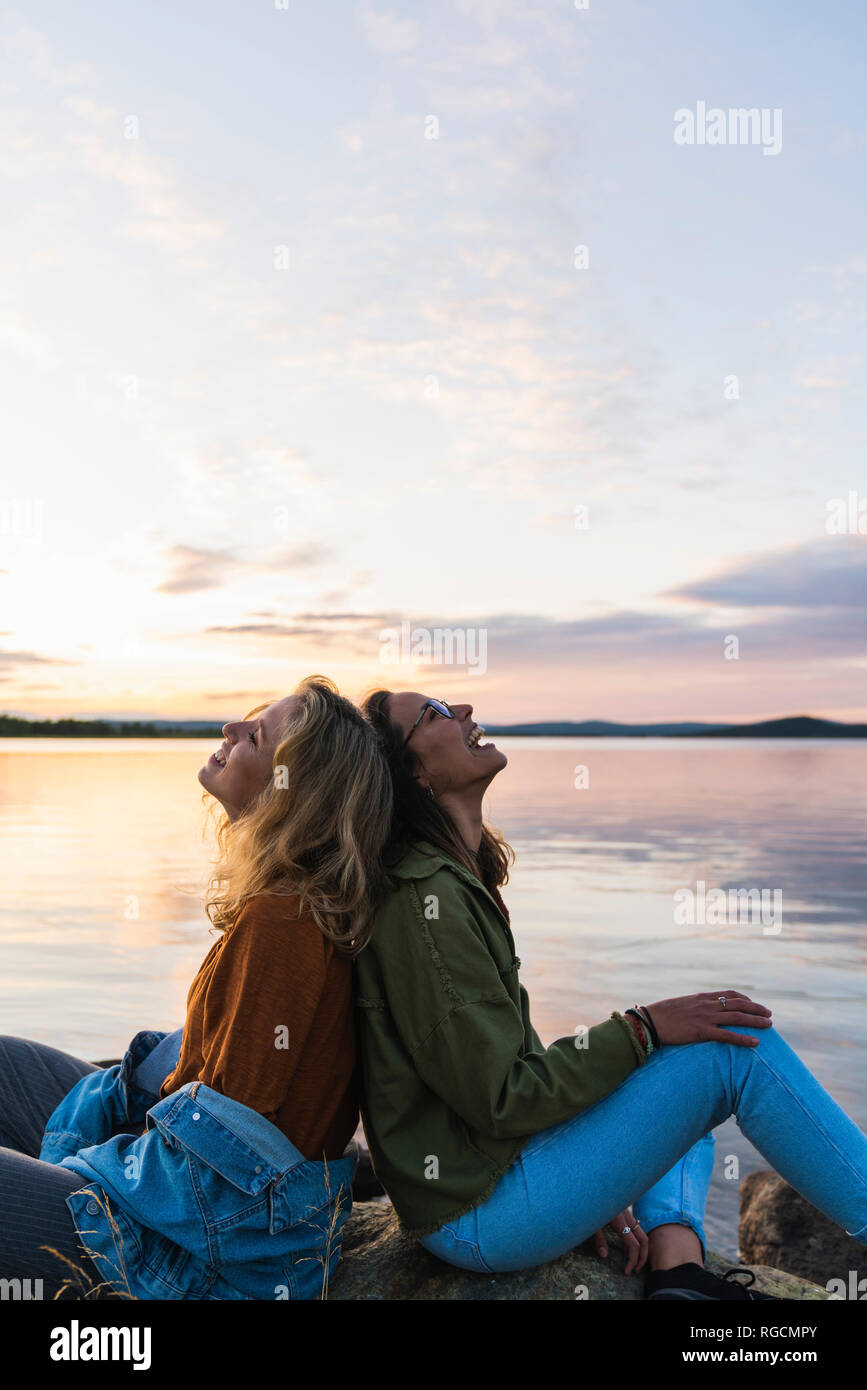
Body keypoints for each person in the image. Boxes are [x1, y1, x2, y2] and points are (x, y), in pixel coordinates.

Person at [355, 690, 867, 1300]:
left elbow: (495, 1068)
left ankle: (679, 1276)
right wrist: (642, 1026)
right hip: (479, 1216)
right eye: (435, 712)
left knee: (682, 1065)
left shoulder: (452, 878)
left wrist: (589, 1175)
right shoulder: (425, 903)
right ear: (413, 773)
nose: (462, 708)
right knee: (736, 1048)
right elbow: (501, 1098)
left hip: (486, 1184)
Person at [0, 675, 392, 1300]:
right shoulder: (287, 907)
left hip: (208, 1252)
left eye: (255, 735)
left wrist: (91, 1163)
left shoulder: (283, 923)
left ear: (290, 790)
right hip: (221, 1211)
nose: (229, 730)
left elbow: (215, 1163)